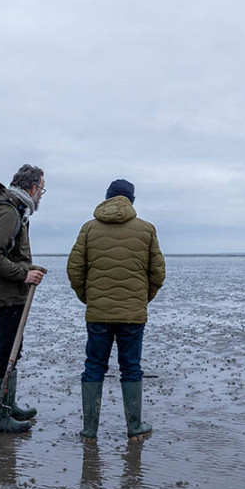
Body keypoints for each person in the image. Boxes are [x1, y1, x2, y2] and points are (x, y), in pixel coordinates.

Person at [67, 179, 166, 441]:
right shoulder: (147, 229)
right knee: (131, 368)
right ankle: (134, 428)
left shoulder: (89, 229)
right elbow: (158, 273)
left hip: (98, 312)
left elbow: (74, 270)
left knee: (94, 367)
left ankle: (89, 432)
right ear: (132, 200)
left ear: (107, 198)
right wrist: (141, 300)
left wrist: (89, 298)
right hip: (133, 314)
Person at [0, 164, 47, 434]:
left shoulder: (17, 209)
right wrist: (24, 274)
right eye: (42, 188)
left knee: (13, 350)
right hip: (5, 293)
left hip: (12, 292)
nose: (41, 193)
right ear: (32, 188)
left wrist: (24, 272)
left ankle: (8, 406)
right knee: (3, 352)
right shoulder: (8, 212)